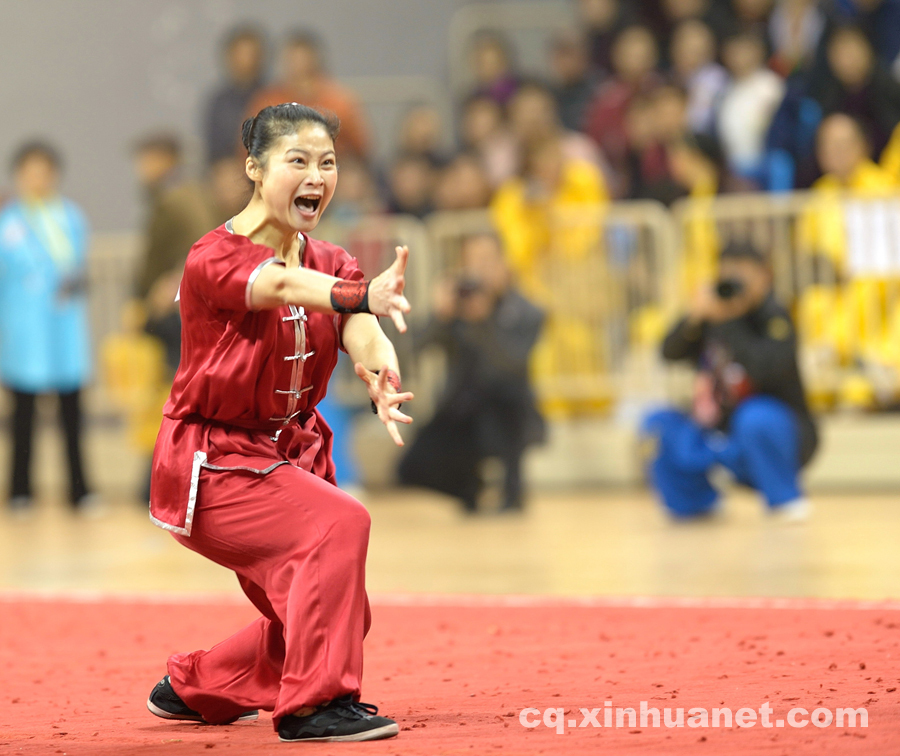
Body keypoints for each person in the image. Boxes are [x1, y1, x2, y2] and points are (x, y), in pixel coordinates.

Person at [144, 103, 412, 743]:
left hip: (286, 456)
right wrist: (357, 294)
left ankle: (195, 685)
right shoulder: (213, 256)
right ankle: (314, 708)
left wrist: (380, 371)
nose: (316, 175)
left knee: (334, 613)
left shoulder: (331, 256)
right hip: (214, 463)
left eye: (327, 163)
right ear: (255, 169)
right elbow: (282, 288)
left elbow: (361, 326)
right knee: (340, 525)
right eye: (298, 161)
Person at [641, 241, 818, 521]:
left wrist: (730, 322)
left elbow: (765, 370)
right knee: (658, 422)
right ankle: (693, 502)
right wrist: (693, 318)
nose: (735, 283)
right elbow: (668, 353)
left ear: (764, 277)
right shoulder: (710, 314)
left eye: (744, 275)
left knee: (755, 417)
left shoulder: (775, 318)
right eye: (728, 274)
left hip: (779, 429)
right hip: (717, 426)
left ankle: (784, 497)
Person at [398, 233, 544, 513]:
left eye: (487, 261)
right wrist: (438, 315)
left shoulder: (528, 311)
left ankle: (511, 490)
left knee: (507, 405)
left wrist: (484, 322)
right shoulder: (456, 309)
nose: (481, 270)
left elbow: (511, 365)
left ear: (505, 264)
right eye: (473, 262)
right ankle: (469, 489)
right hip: (461, 412)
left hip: (508, 414)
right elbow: (408, 350)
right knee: (407, 469)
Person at [0, 142, 93, 515]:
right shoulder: (9, 222)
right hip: (24, 332)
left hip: (63, 330)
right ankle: (20, 489)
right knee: (23, 415)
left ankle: (79, 489)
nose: (37, 178)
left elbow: (77, 267)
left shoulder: (70, 217)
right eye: (29, 171)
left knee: (72, 414)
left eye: (43, 171)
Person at [247, 31, 370, 160]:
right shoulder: (268, 100)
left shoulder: (340, 101)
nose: (299, 64)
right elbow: (251, 145)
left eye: (303, 58)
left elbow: (361, 147)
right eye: (293, 59)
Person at [204, 26, 267, 165]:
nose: (246, 60)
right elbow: (214, 152)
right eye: (240, 53)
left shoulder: (271, 97)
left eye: (251, 54)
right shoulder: (218, 103)